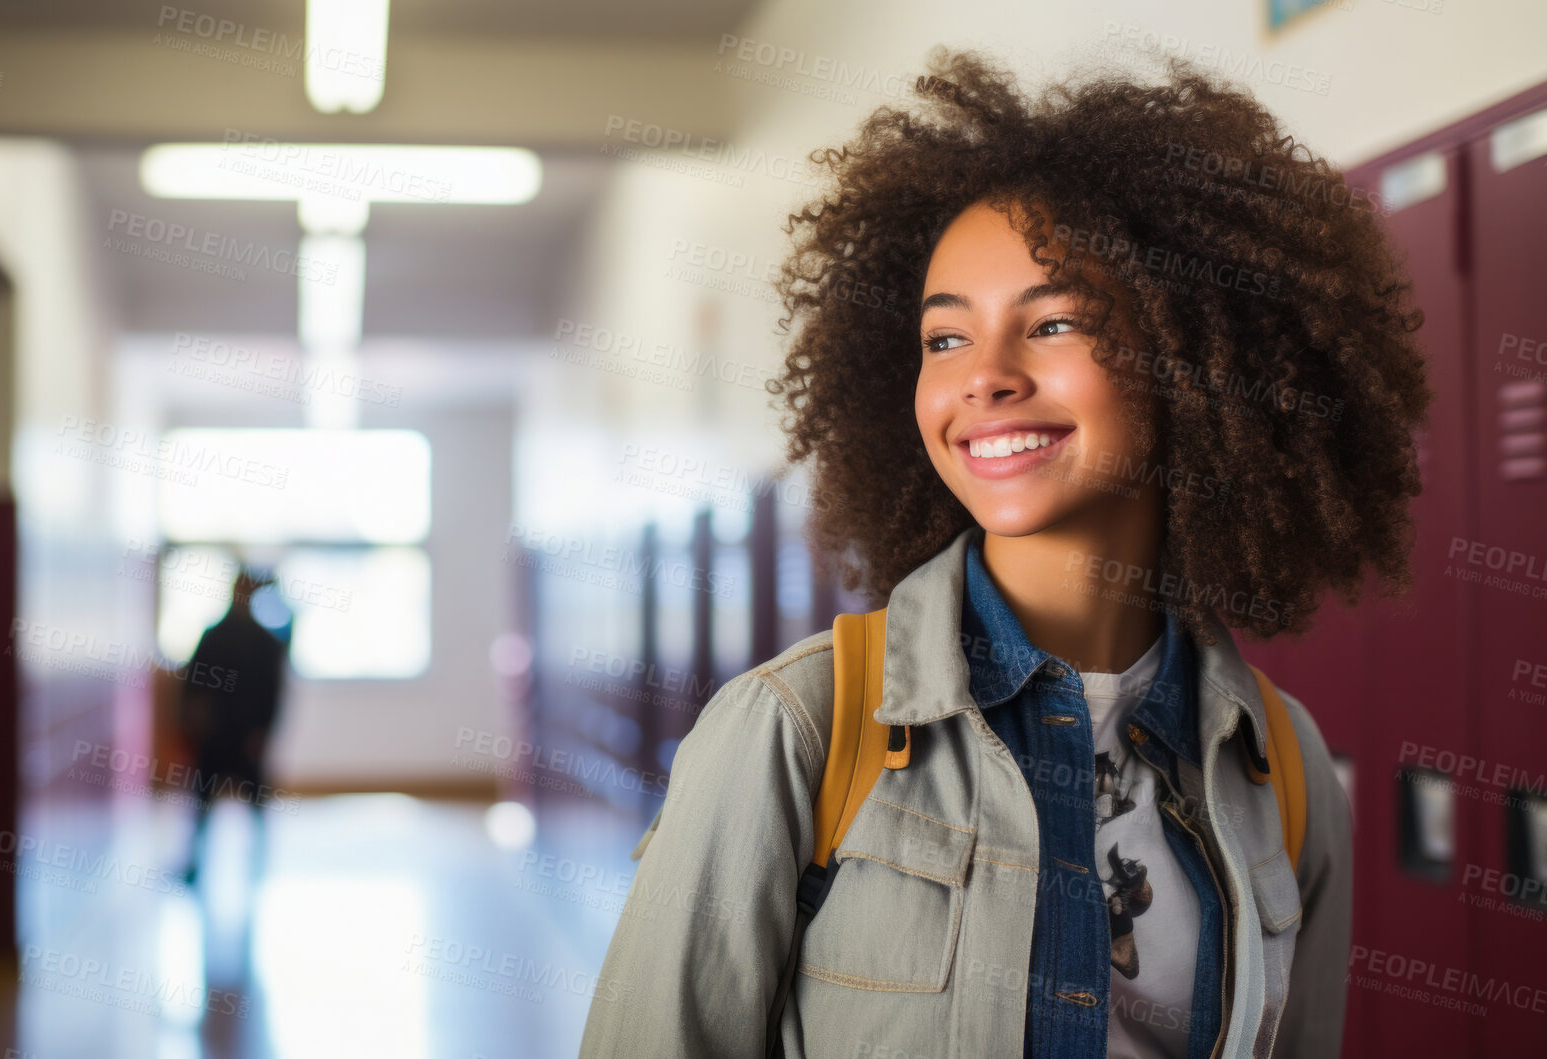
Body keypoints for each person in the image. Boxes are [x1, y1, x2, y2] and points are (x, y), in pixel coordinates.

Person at [580, 46, 1429, 1059]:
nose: (982, 378)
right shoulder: (796, 735)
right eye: (944, 340)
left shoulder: (1278, 766)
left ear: (1198, 364)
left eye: (1054, 323)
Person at [179, 564, 290, 886]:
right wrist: (191, 726)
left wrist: (264, 732)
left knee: (255, 802)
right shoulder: (214, 635)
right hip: (214, 735)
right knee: (201, 802)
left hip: (247, 737)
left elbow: (273, 692)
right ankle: (195, 861)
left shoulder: (265, 640)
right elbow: (193, 686)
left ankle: (258, 862)